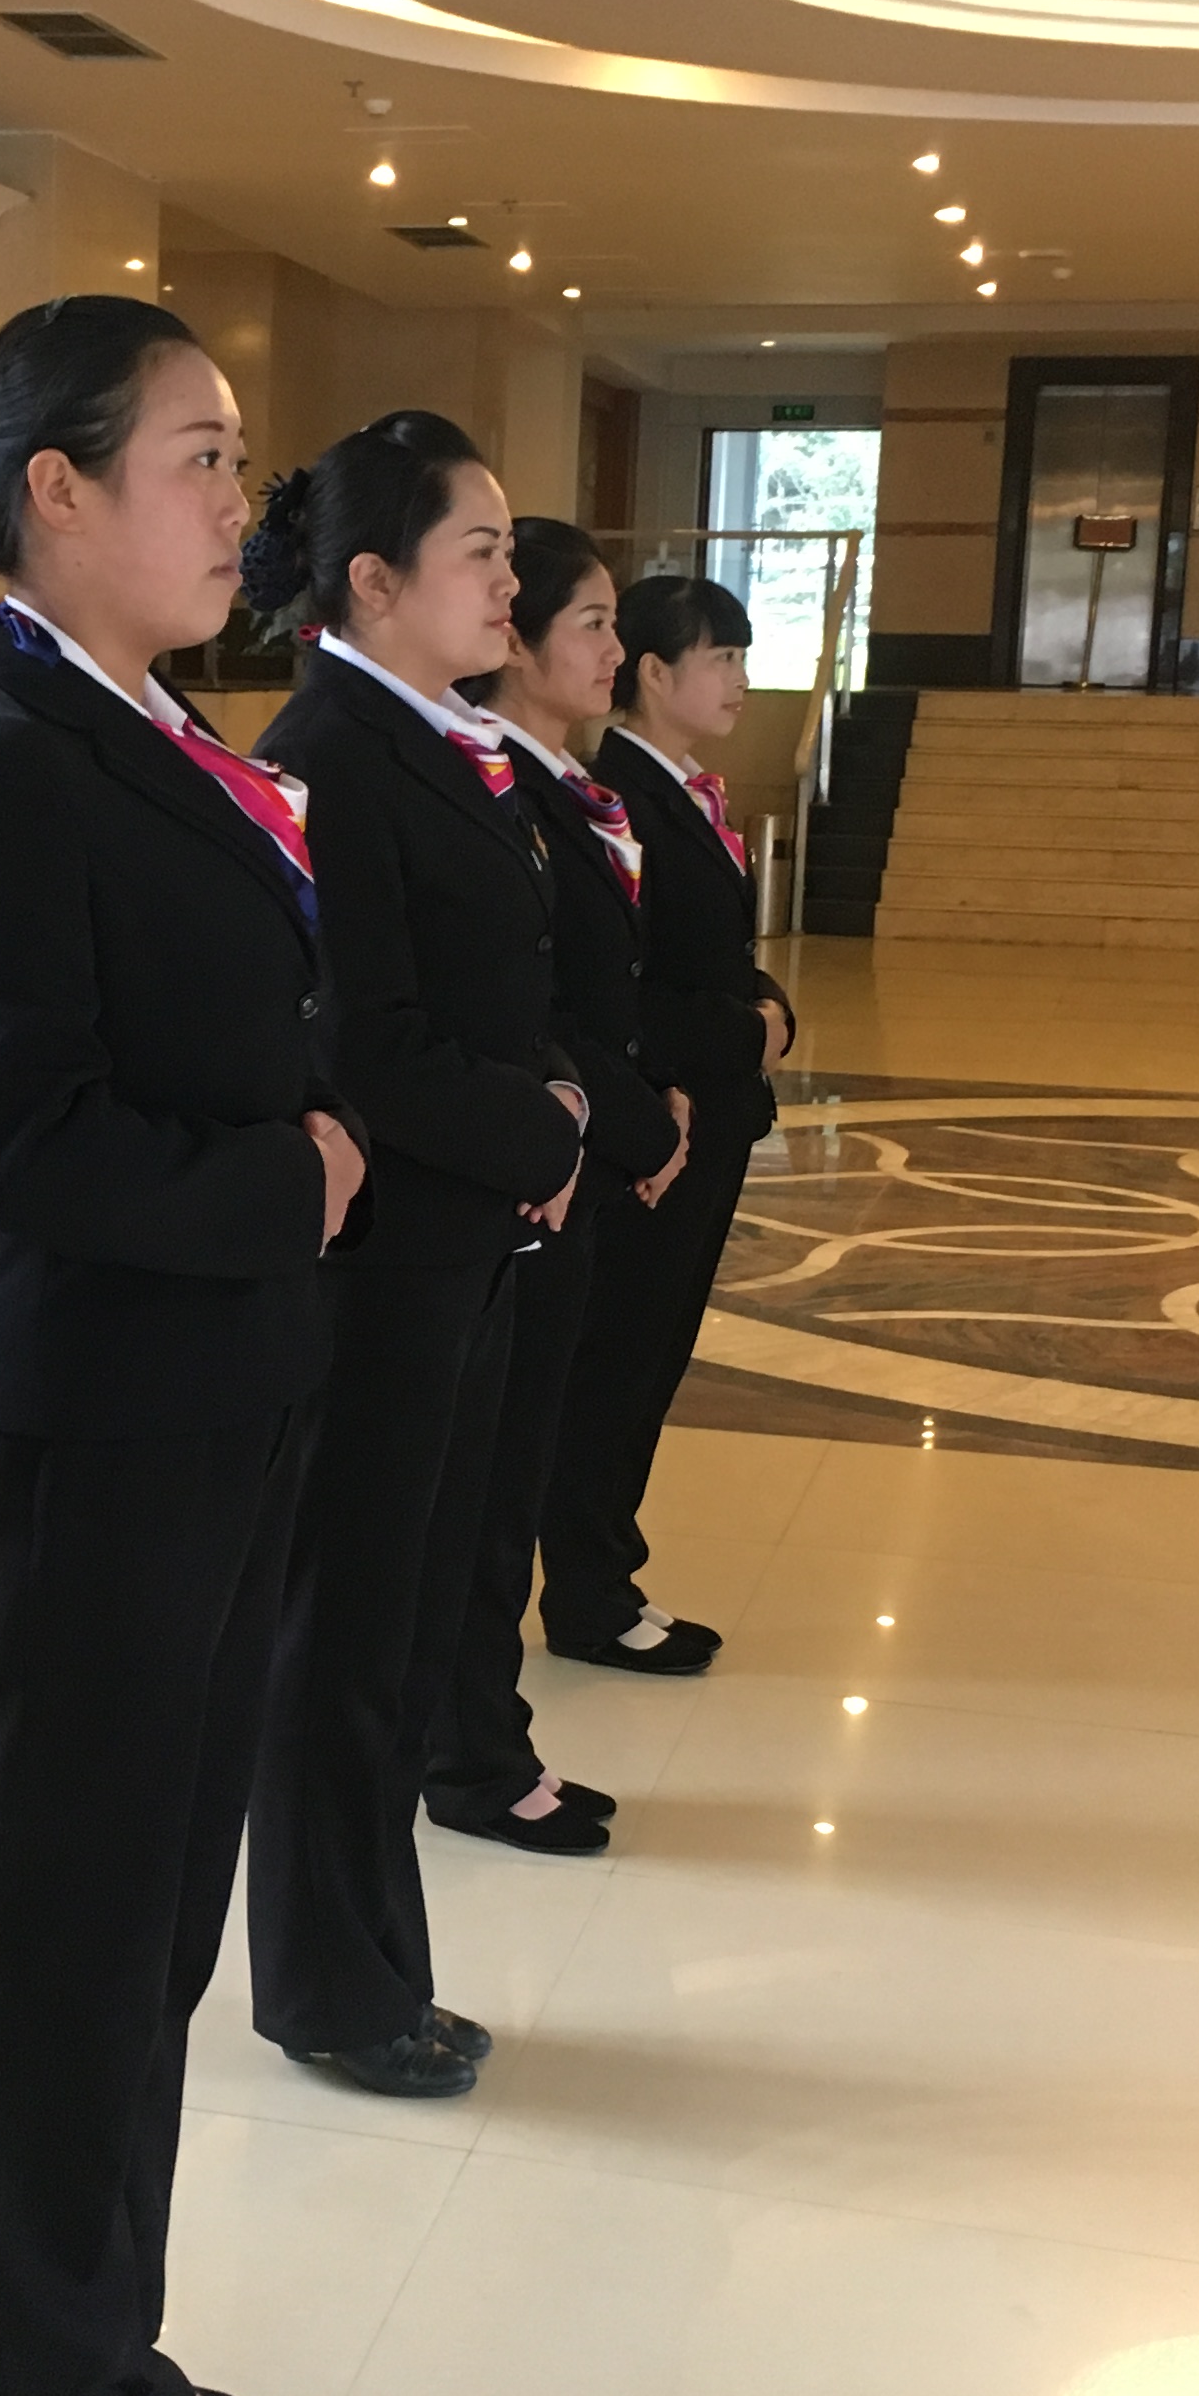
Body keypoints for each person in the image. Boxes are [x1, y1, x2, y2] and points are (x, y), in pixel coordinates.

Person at [0, 299, 363, 2396]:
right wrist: (294, 1180)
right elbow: (29, 1140)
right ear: (58, 492)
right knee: (74, 1929)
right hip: (91, 1422)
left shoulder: (155, 730)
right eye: (199, 456)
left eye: (241, 459)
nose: (238, 505)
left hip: (221, 1399)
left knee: (160, 1915)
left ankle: (107, 2334)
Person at [240, 413, 583, 2102]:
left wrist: (551, 1100)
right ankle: (329, 1981)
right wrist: (544, 1136)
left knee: (403, 1618)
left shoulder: (436, 738)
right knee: (344, 1636)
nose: (509, 584)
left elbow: (492, 991)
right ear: (373, 583)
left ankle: (383, 1962)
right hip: (378, 1267)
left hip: (461, 1244)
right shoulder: (331, 754)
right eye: (482, 553)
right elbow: (363, 1040)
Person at [422, 519, 681, 1853]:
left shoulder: (560, 786)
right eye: (590, 621)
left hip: (558, 1158)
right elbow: (520, 1009)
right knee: (479, 1496)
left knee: (510, 1477)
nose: (614, 648)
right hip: (519, 1171)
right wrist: (612, 1122)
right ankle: (471, 1750)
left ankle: (481, 1734)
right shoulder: (484, 780)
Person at [539, 570, 796, 1675]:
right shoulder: (623, 797)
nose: (739, 680)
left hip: (710, 1113)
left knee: (650, 1356)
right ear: (655, 672)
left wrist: (766, 1008)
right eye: (720, 658)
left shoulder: (681, 790)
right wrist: (745, 1031)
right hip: (662, 1126)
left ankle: (602, 1572)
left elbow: (712, 955)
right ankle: (591, 1587)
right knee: (621, 1358)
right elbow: (625, 989)